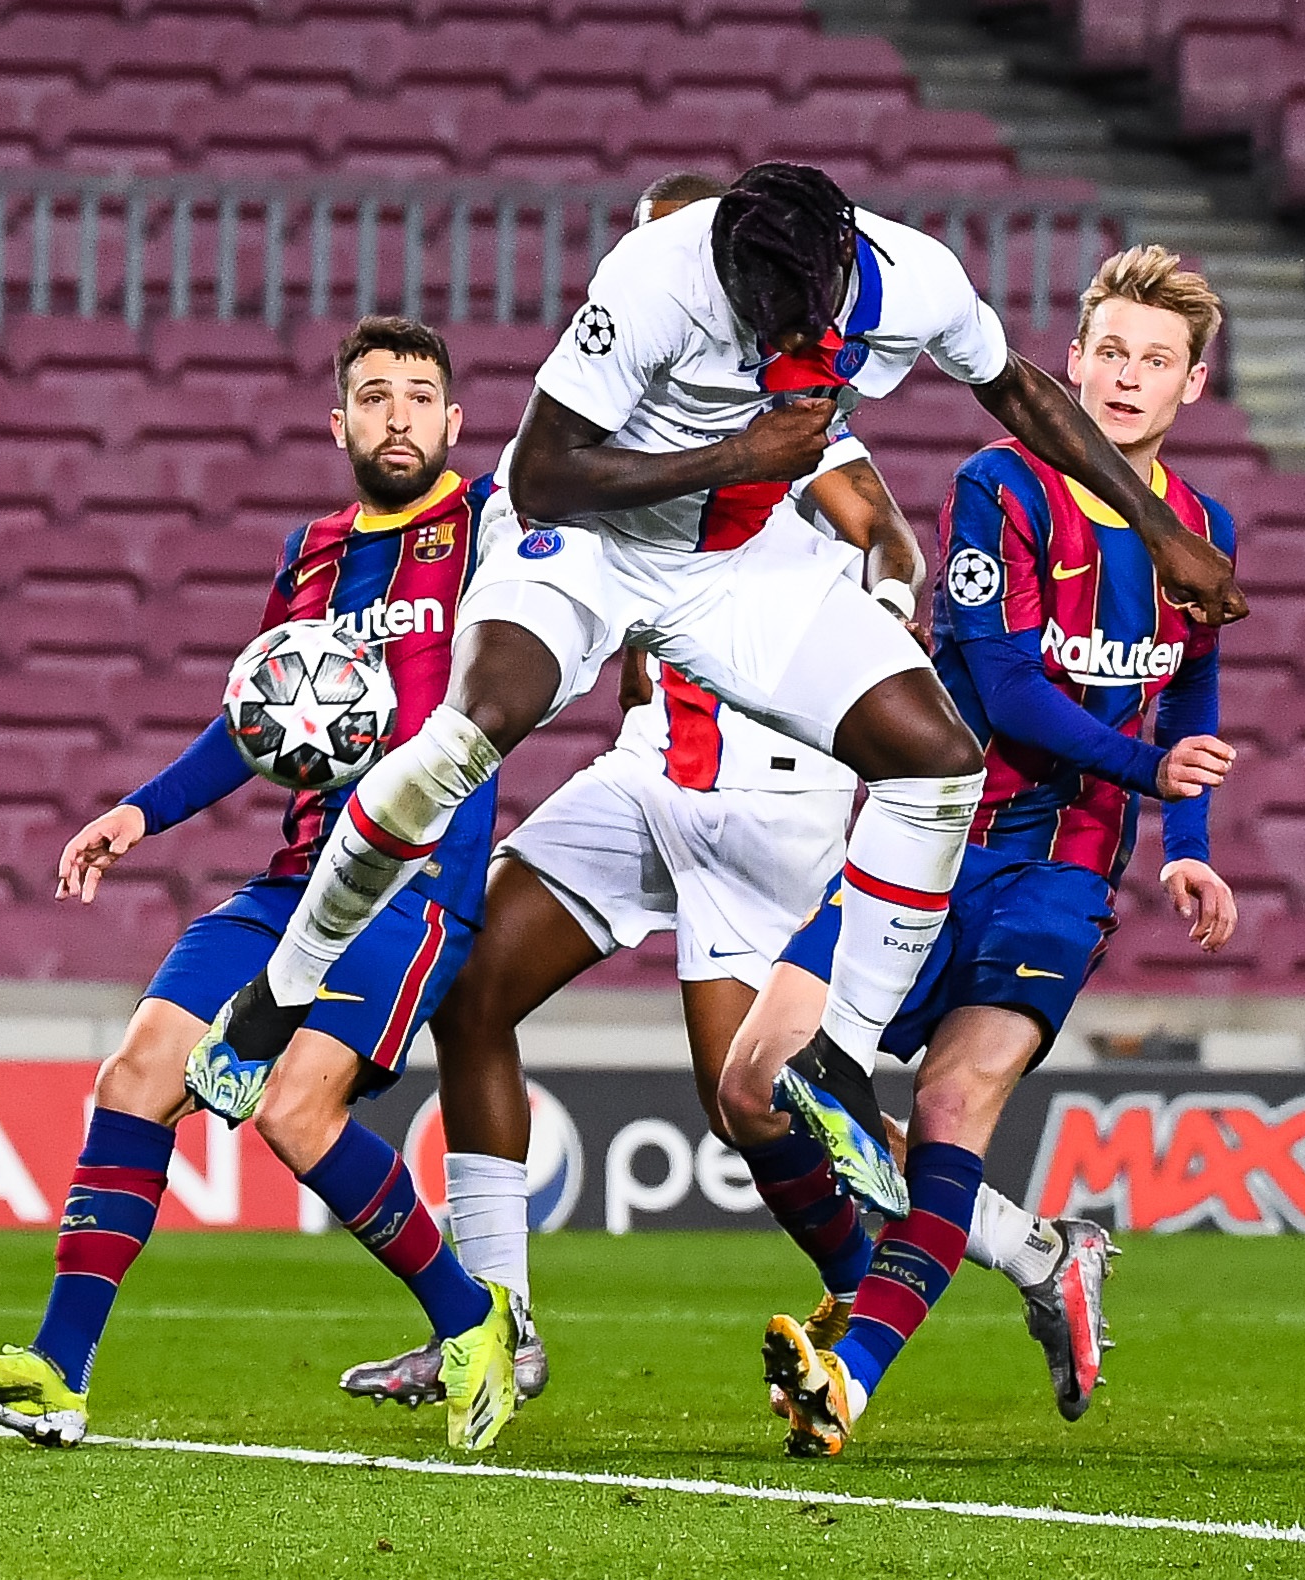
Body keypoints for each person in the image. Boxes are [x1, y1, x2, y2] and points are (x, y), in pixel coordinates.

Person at [182, 165, 1247, 1162]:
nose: (766, 332)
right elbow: (548, 477)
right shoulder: (652, 279)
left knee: (936, 761)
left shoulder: (913, 276)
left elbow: (1017, 389)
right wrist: (742, 455)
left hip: (733, 566)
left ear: (836, 274)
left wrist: (1159, 529)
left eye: (786, 316)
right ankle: (279, 993)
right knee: (470, 731)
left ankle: (837, 1057)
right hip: (590, 542)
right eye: (750, 311)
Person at [341, 173, 1113, 1415]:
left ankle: (1013, 1259)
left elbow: (875, 517)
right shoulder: (637, 359)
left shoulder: (792, 388)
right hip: (651, 771)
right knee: (473, 990)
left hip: (765, 793)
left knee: (758, 1107)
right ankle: (498, 1325)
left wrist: (878, 574)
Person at [0, 317, 524, 1453]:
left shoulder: (494, 522)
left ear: (453, 420)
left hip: (413, 881)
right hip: (293, 877)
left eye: (420, 395)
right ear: (337, 422)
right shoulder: (313, 552)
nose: (399, 414)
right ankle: (58, 1367)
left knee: (295, 1110)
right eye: (376, 395)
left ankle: (471, 1317)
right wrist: (139, 809)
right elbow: (261, 718)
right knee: (139, 1068)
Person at [729, 246, 1244, 1456]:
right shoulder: (999, 485)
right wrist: (1147, 772)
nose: (1125, 379)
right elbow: (1004, 687)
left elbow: (1191, 706)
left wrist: (1191, 839)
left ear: (1192, 388)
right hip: (925, 841)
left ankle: (849, 1377)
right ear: (1070, 360)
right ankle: (1033, 1257)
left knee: (953, 1104)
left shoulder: (1203, 530)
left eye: (1154, 361)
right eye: (1108, 352)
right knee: (755, 1087)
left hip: (1059, 871)